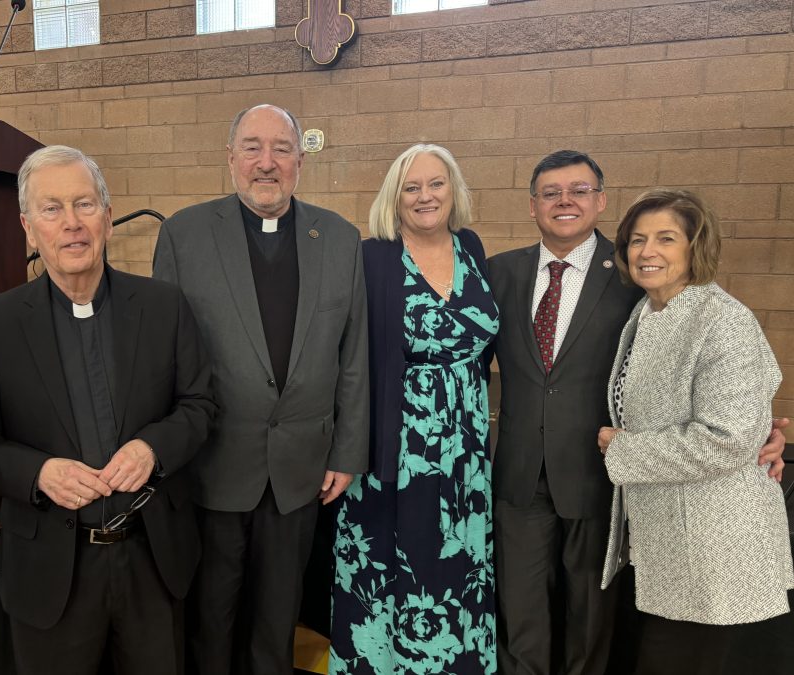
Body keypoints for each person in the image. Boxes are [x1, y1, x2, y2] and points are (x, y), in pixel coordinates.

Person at [488, 150, 788, 675]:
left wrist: (764, 427)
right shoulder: (498, 272)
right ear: (532, 204)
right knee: (520, 612)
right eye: (551, 192)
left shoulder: (633, 278)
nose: (565, 201)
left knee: (590, 616)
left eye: (580, 190)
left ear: (600, 201)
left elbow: (714, 370)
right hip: (517, 473)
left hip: (600, 474)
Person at [0, 145, 215, 675]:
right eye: (52, 209)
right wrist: (39, 473)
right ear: (28, 228)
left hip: (152, 561)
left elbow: (201, 405)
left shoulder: (165, 307)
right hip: (52, 571)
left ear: (109, 217)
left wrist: (153, 448)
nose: (71, 224)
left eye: (85, 205)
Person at [153, 104, 368, 675]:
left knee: (278, 618)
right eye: (252, 147)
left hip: (301, 468)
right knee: (212, 616)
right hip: (213, 463)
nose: (266, 163)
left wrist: (347, 453)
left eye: (281, 149)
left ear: (301, 160)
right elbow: (163, 358)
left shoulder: (341, 239)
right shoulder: (183, 234)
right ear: (230, 159)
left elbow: (353, 356)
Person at [597, 188, 793, 675]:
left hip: (713, 538)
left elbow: (727, 440)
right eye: (637, 240)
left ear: (694, 247)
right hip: (668, 534)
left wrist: (622, 448)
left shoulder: (723, 320)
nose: (648, 251)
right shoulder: (648, 312)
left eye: (666, 238)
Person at [330, 144, 499, 674]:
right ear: (394, 197)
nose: (425, 196)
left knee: (455, 564)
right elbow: (349, 353)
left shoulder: (470, 246)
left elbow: (483, 341)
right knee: (391, 568)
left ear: (454, 190)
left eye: (436, 184)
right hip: (394, 446)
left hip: (466, 455)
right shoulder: (373, 256)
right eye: (412, 187)